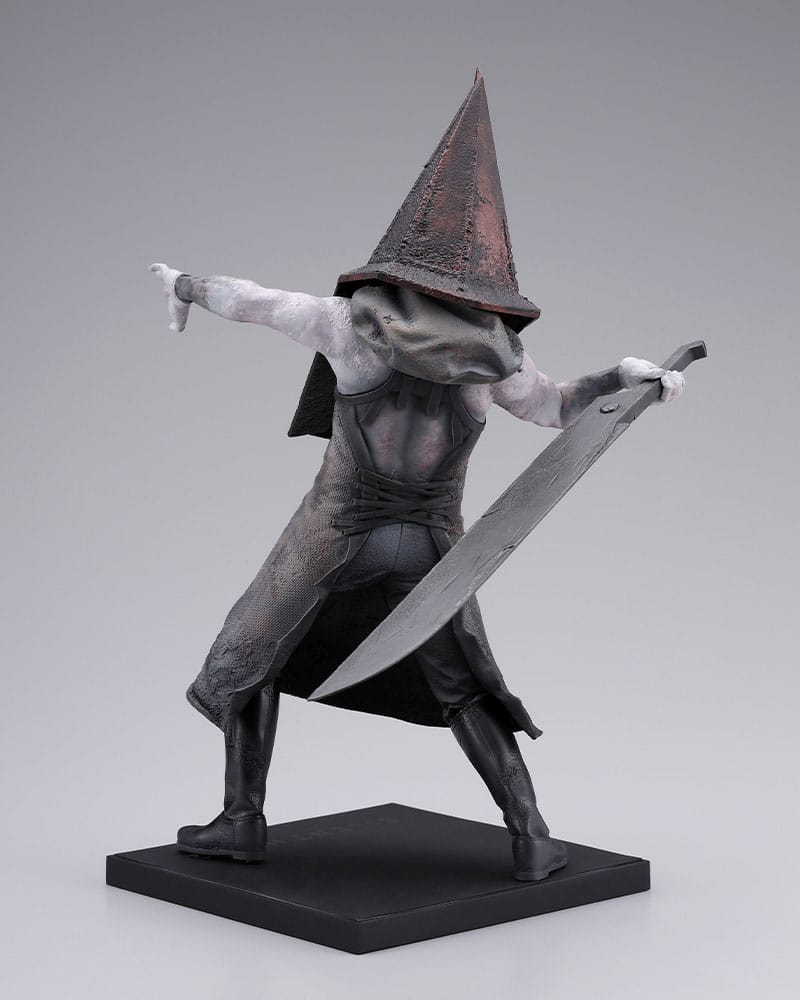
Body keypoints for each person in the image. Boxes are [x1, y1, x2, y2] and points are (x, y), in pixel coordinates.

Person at [149, 73, 684, 881]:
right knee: (464, 683)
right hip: (433, 547)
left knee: (251, 655)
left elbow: (250, 301)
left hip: (334, 534)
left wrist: (185, 286)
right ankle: (532, 836)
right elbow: (557, 407)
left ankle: (242, 821)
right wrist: (624, 376)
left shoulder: (345, 324)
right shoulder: (497, 362)